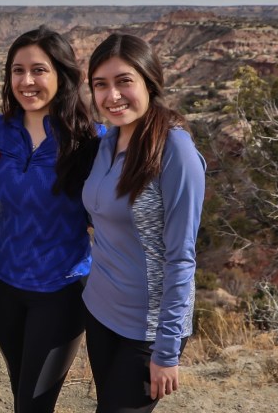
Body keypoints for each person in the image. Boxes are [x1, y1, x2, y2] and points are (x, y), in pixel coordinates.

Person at [82, 33, 206, 413]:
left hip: (148, 330)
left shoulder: (175, 150)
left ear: (150, 82)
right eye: (100, 85)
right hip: (100, 312)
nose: (112, 96)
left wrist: (166, 350)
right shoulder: (107, 142)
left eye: (124, 81)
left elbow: (181, 257)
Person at [0, 25, 102, 412]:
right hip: (4, 283)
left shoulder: (91, 141)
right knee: (19, 389)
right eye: (17, 71)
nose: (26, 81)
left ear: (62, 75)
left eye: (38, 70)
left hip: (61, 290)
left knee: (34, 404)